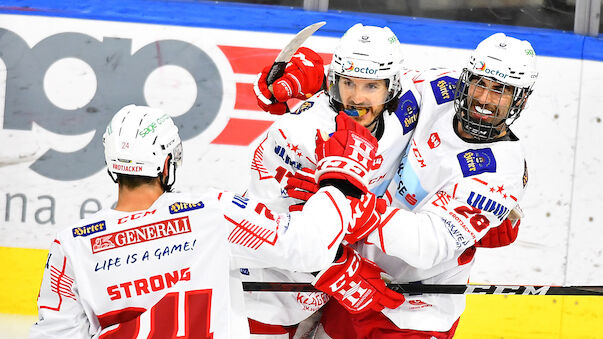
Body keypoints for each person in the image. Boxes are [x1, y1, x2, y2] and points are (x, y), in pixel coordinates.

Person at [29, 104, 402, 338]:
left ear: (113, 165)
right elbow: (304, 249)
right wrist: (341, 178)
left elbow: (56, 333)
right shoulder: (211, 212)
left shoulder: (72, 243)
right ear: (165, 165)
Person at [253, 31, 533, 338]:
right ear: (466, 78)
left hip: (416, 309)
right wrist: (320, 82)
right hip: (354, 285)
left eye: (501, 90)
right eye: (479, 83)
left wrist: (346, 203)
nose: (484, 98)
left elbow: (428, 245)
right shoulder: (439, 89)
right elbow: (378, 88)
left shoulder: (501, 173)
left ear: (520, 99)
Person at [246, 23, 417, 337]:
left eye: (370, 86)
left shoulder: (405, 112)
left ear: (392, 87)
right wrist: (336, 266)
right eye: (347, 83)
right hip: (268, 285)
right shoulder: (298, 135)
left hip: (325, 293)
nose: (355, 98)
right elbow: (267, 226)